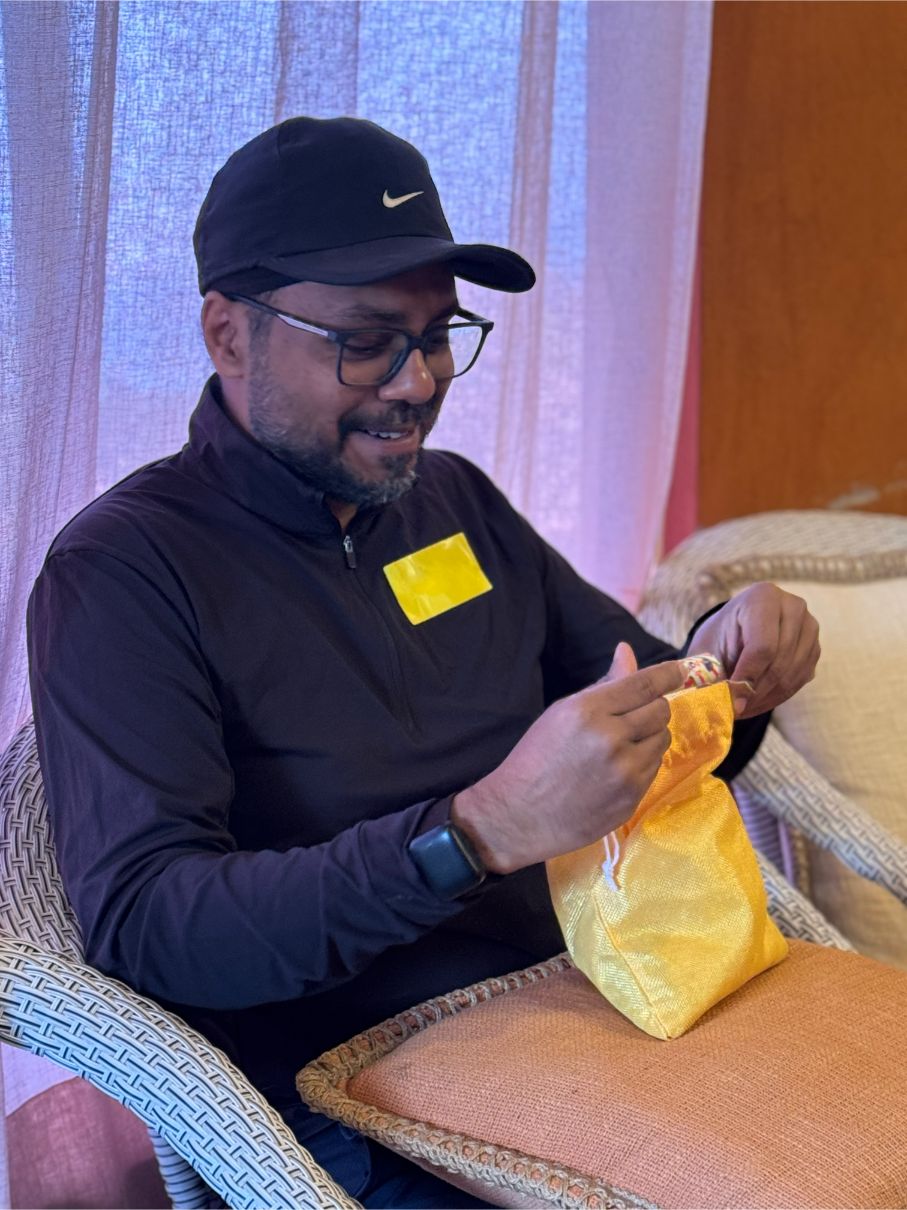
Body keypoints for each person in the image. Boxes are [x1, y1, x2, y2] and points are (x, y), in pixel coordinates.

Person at [27, 116, 820, 1208]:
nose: (416, 381)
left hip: (607, 995)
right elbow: (150, 929)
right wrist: (472, 835)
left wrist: (732, 672)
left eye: (437, 333)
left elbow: (650, 714)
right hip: (361, 1085)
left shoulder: (452, 502)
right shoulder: (125, 573)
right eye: (365, 340)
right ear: (228, 335)